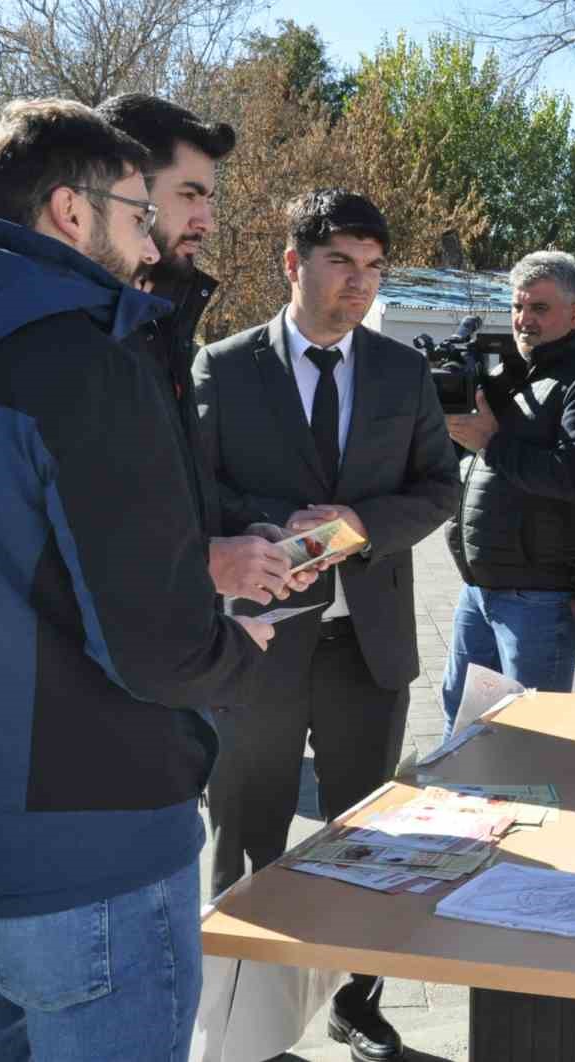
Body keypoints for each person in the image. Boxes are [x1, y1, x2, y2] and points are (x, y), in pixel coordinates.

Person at [0, 99, 278, 1062]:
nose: (148, 234)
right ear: (72, 213)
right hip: (94, 862)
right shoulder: (81, 361)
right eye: (134, 210)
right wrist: (235, 652)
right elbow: (155, 642)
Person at [193, 188, 458, 1062]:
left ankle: (360, 1002)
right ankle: (238, 1031)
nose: (359, 284)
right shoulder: (223, 369)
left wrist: (357, 525)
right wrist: (281, 526)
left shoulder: (400, 371)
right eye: (341, 262)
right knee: (246, 832)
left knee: (369, 841)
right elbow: (199, 494)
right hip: (260, 643)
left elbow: (437, 489)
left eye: (373, 267)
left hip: (368, 648)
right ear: (293, 263)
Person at [97, 93, 299, 606]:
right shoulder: (76, 335)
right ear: (125, 185)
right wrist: (204, 565)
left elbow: (159, 491)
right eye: (190, 194)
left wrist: (243, 533)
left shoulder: (162, 323)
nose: (207, 220)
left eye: (209, 198)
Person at [440, 250, 575, 726]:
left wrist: (489, 441)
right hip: (478, 588)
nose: (524, 320)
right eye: (518, 307)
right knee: (461, 722)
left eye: (539, 309)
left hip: (539, 599)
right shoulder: (507, 375)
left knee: (529, 736)